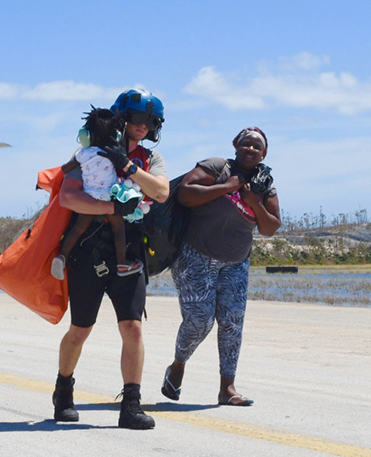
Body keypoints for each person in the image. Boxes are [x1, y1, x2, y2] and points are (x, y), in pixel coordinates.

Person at [52, 89, 169, 429]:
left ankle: (131, 405)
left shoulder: (151, 159)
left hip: (129, 250)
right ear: (121, 118)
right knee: (80, 329)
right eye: (136, 118)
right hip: (89, 248)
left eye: (150, 121)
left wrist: (127, 165)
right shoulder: (90, 151)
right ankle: (63, 390)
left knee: (132, 327)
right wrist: (112, 207)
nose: (142, 126)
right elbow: (68, 197)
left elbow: (160, 192)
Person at [161, 127, 280, 407]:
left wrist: (254, 203)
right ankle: (177, 366)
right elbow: (186, 194)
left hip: (236, 261)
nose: (251, 150)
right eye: (246, 144)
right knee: (200, 320)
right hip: (195, 256)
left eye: (257, 147)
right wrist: (227, 187)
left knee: (232, 323)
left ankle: (227, 388)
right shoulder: (218, 167)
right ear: (235, 145)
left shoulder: (265, 184)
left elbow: (270, 227)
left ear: (264, 153)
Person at [51, 107, 143, 281]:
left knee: (78, 229)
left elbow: (64, 169)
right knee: (119, 229)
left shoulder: (82, 153)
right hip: (109, 197)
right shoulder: (114, 151)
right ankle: (122, 263)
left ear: (86, 135)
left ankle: (62, 256)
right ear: (116, 135)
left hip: (89, 199)